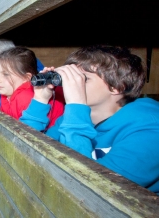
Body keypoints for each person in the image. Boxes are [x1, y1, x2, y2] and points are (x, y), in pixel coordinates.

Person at [19, 45, 159, 194]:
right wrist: (40, 98)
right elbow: (22, 149)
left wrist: (76, 105)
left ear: (118, 87)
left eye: (83, 79)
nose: (70, 84)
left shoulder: (150, 130)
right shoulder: (72, 118)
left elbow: (93, 190)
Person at [0, 47, 64, 128]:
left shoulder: (26, 98)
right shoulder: (6, 95)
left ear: (26, 78)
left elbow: (30, 132)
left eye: (6, 74)